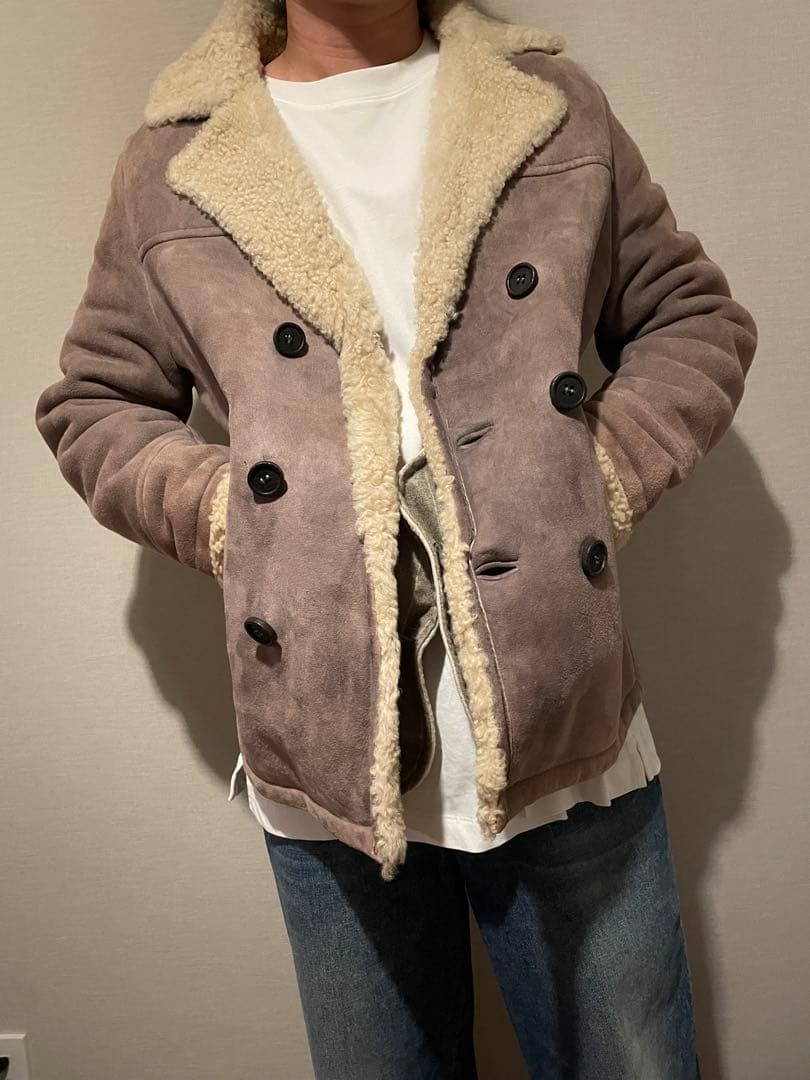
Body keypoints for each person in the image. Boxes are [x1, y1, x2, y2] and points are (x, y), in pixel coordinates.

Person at [34, 0, 757, 1076]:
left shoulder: (548, 106)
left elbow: (693, 319)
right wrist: (238, 518)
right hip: (320, 749)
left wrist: (592, 479)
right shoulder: (175, 161)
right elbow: (96, 404)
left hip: (566, 724)